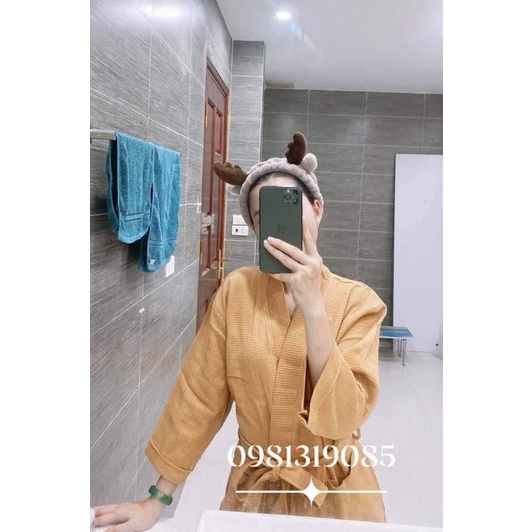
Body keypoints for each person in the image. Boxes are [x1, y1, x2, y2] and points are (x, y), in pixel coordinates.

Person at [94, 132, 387, 531]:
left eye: (290, 205)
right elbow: (199, 398)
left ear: (317, 209)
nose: (279, 224)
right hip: (254, 494)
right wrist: (155, 501)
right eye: (264, 216)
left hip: (338, 498)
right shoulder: (238, 291)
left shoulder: (360, 302)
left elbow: (343, 415)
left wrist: (314, 307)